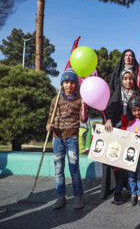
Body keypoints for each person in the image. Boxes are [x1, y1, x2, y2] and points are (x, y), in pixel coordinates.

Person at [101, 49, 140, 203]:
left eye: (130, 79)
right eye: (125, 79)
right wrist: (109, 120)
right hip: (119, 130)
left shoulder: (138, 93)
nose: (128, 82)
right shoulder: (118, 93)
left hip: (133, 130)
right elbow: (110, 108)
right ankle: (118, 190)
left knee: (133, 162)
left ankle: (136, 191)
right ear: (121, 80)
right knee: (118, 161)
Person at [46, 69, 88, 210]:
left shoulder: (80, 99)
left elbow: (84, 119)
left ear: (76, 84)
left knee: (74, 168)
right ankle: (60, 197)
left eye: (72, 82)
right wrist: (48, 125)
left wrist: (84, 108)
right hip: (57, 138)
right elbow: (50, 117)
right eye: (66, 82)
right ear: (62, 84)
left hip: (72, 138)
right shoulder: (55, 100)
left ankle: (78, 196)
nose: (69, 85)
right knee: (58, 169)